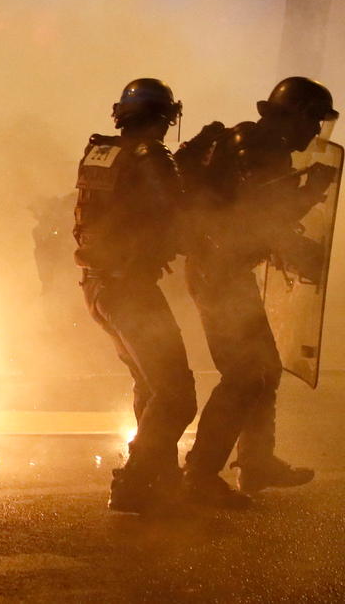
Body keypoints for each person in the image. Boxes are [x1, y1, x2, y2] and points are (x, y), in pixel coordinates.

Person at [176, 77, 337, 505]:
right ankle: (200, 474)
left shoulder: (258, 142)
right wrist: (312, 193)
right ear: (297, 114)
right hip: (218, 272)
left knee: (262, 369)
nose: (315, 132)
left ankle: (256, 461)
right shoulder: (259, 146)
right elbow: (258, 215)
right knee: (245, 375)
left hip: (223, 269)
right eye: (315, 120)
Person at [74, 78, 196, 513]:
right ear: (165, 117)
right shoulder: (150, 158)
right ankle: (135, 481)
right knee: (178, 394)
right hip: (130, 289)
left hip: (98, 286)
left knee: (150, 386)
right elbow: (178, 216)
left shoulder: (101, 152)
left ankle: (160, 482)